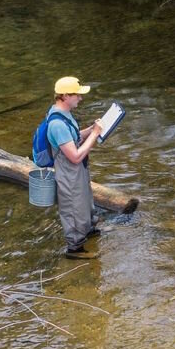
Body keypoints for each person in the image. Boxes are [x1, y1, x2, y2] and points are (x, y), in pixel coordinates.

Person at [46, 76, 104, 258]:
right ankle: (74, 249)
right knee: (73, 207)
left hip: (77, 170)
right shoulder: (56, 124)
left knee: (85, 200)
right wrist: (94, 135)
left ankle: (88, 230)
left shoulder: (64, 114)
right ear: (64, 96)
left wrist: (90, 129)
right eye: (77, 95)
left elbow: (73, 137)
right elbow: (75, 156)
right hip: (69, 172)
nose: (80, 98)